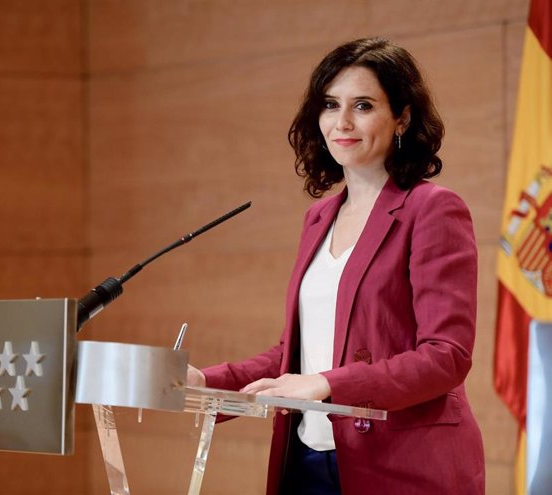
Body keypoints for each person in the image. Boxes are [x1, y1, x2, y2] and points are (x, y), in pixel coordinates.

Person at [187, 37, 485, 495]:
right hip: (308, 454)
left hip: (402, 466)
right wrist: (205, 382)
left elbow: (446, 356)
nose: (342, 122)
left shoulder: (433, 209)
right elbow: (298, 354)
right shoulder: (319, 218)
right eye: (331, 104)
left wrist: (326, 384)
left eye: (363, 105)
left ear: (402, 117)